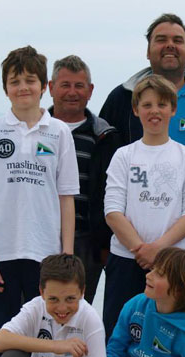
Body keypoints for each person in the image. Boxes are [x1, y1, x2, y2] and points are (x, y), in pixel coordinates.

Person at [0, 45, 79, 357]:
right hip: (0, 256)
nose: (23, 87)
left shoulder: (59, 132)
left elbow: (66, 198)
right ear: (6, 88)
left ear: (44, 86)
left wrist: (66, 256)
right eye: (15, 81)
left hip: (45, 256)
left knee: (45, 340)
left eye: (30, 80)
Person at [103, 74, 185, 340]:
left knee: (171, 338)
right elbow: (112, 211)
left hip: (175, 263)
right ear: (136, 110)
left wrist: (158, 250)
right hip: (126, 260)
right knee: (119, 335)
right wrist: (141, 250)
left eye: (161, 104)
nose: (154, 111)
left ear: (173, 109)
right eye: (147, 105)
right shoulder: (124, 155)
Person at [49, 55, 122, 304]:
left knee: (77, 311)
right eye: (65, 85)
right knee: (34, 311)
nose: (72, 92)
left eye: (79, 86)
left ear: (90, 91)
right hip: (40, 237)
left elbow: (111, 194)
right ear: (51, 88)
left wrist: (104, 243)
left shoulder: (105, 137)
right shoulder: (35, 131)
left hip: (87, 243)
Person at [0, 254, 108, 357]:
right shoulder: (36, 308)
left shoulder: (90, 320)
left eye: (70, 299)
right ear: (42, 292)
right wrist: (55, 346)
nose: (62, 308)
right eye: (53, 299)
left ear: (82, 292)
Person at [100, 13, 185, 147]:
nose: (170, 45)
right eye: (161, 40)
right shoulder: (122, 98)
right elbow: (104, 150)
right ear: (148, 52)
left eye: (177, 40)